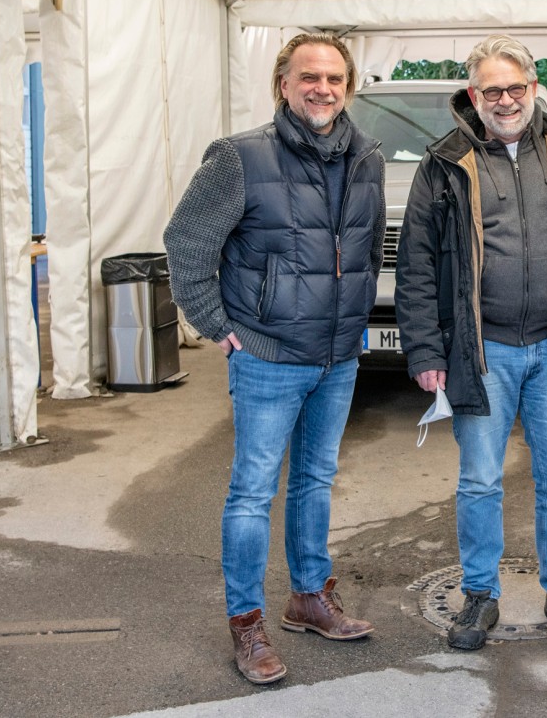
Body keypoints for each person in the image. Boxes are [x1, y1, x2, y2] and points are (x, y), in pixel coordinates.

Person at [163, 33, 386, 685]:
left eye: (334, 78)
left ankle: (309, 597)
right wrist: (214, 324)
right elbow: (187, 239)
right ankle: (247, 622)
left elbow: (364, 250)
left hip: (338, 355)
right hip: (265, 354)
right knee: (252, 492)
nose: (322, 88)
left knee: (316, 480)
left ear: (348, 86)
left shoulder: (366, 157)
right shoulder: (239, 157)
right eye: (308, 76)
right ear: (282, 83)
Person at [395, 34, 547, 650]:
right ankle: (478, 595)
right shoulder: (443, 164)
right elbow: (416, 264)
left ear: (533, 87)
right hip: (481, 350)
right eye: (492, 90)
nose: (505, 99)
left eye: (516, 88)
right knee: (480, 481)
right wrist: (425, 352)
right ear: (474, 95)